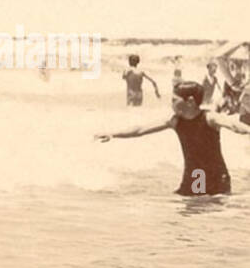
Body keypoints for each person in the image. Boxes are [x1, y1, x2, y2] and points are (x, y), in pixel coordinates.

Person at [96, 80, 250, 195]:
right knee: (188, 214)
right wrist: (113, 134)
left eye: (174, 100)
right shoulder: (175, 121)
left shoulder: (210, 118)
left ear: (190, 101)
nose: (171, 104)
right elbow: (141, 129)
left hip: (216, 177)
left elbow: (234, 125)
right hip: (195, 176)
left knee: (203, 216)